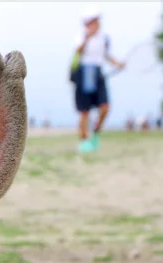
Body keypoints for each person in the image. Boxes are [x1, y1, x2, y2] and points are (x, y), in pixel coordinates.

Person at [71, 6, 125, 153]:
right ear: (88, 23)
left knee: (105, 107)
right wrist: (88, 37)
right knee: (84, 112)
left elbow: (106, 55)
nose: (97, 23)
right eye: (94, 20)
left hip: (98, 73)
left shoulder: (104, 38)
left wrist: (118, 63)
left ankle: (95, 131)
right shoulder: (81, 37)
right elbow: (78, 51)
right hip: (84, 73)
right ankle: (83, 142)